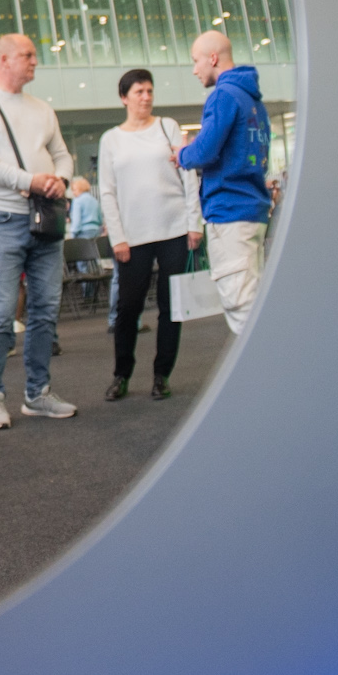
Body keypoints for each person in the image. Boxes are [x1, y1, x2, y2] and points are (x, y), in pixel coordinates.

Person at [0, 33, 78, 430]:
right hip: (3, 220)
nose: (35, 61)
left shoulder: (42, 109)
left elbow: (62, 155)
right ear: (4, 60)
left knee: (45, 310)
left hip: (46, 221)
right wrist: (29, 181)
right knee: (0, 312)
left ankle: (37, 393)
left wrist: (61, 179)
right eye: (27, 55)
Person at [97, 68, 202, 402]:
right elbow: (107, 191)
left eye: (149, 91)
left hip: (174, 229)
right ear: (124, 98)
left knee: (171, 307)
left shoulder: (167, 126)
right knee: (128, 308)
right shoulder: (111, 139)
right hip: (133, 236)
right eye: (139, 92)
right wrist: (117, 237)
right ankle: (121, 374)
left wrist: (194, 223)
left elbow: (188, 176)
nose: (146, 97)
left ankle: (161, 375)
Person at [176, 31, 273, 334]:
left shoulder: (223, 96)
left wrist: (181, 154)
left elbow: (205, 151)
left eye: (196, 61)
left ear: (213, 58)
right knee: (255, 303)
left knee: (241, 308)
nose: (195, 70)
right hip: (253, 211)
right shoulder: (253, 100)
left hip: (229, 212)